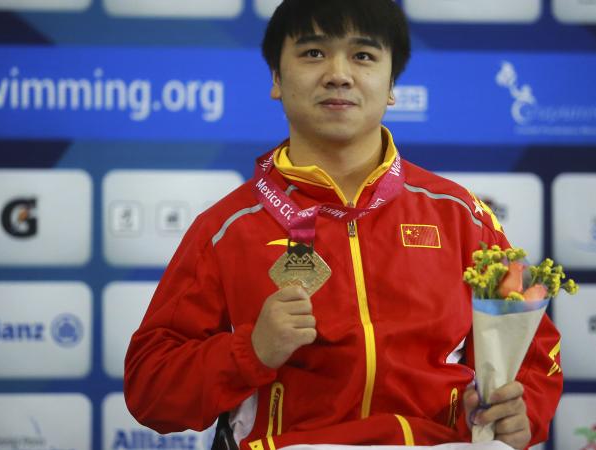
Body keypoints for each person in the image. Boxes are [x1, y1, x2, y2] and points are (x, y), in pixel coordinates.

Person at [123, 1, 563, 449]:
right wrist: (249, 352)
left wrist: (520, 412)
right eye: (313, 53)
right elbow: (149, 390)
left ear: (392, 85)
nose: (338, 73)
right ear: (276, 78)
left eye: (363, 55)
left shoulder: (459, 215)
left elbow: (534, 349)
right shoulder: (227, 229)